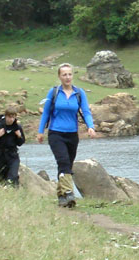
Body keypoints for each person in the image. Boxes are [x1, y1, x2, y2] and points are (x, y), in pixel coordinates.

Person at [37, 63, 96, 208]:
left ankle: (61, 196)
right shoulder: (54, 92)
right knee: (63, 162)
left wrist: (90, 126)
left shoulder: (79, 93)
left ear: (72, 75)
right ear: (59, 76)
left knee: (66, 165)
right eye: (64, 74)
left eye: (69, 74)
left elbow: (86, 112)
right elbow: (46, 113)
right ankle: (69, 192)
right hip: (56, 133)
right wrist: (40, 131)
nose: (67, 77)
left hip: (72, 135)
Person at [0, 106, 26, 187]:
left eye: (13, 117)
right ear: (6, 116)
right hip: (0, 156)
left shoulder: (17, 127)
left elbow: (20, 143)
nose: (11, 119)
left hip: (12, 155)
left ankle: (14, 190)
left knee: (13, 176)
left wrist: (19, 136)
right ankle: (4, 194)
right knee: (1, 180)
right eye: (9, 117)